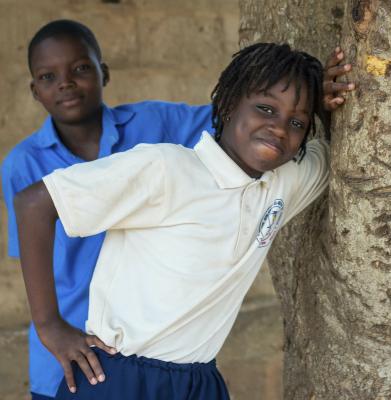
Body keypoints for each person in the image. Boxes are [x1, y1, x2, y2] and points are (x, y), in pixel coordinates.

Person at [14, 42, 353, 399]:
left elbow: (337, 145)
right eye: (265, 108)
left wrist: (322, 105)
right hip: (120, 377)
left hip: (199, 382)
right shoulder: (166, 168)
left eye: (296, 122)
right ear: (227, 103)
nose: (279, 128)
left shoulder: (283, 184)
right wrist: (49, 325)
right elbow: (34, 203)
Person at [1, 19, 213, 400]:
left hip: (146, 349)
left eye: (80, 68)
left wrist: (306, 93)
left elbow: (237, 117)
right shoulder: (23, 163)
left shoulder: (154, 124)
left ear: (104, 72)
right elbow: (33, 259)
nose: (65, 83)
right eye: (48, 77)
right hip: (67, 351)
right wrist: (50, 327)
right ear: (34, 91)